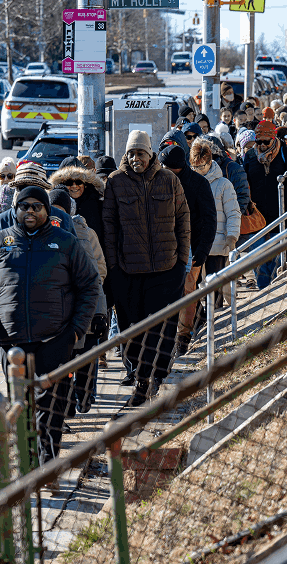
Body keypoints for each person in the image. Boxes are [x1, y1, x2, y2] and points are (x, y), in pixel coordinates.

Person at [0, 187, 100, 472]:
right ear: (15, 210)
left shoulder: (66, 243)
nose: (30, 211)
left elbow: (90, 285)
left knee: (52, 409)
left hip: (55, 339)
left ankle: (48, 463)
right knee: (18, 407)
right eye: (24, 206)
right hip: (12, 343)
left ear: (47, 210)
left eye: (37, 206)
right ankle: (27, 463)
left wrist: (75, 331)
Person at [102, 131, 190, 406]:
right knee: (131, 329)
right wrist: (115, 267)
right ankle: (141, 376)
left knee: (163, 326)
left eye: (140, 153)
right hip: (129, 272)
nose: (135, 158)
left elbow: (182, 220)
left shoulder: (169, 180)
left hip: (166, 269)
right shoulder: (115, 183)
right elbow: (109, 228)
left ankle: (155, 377)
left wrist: (182, 260)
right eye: (131, 153)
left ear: (150, 154)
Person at [47, 188, 108, 416]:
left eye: (62, 211)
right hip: (56, 310)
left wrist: (94, 305)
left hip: (81, 307)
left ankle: (84, 397)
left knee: (83, 357)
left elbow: (97, 270)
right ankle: (68, 403)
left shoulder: (84, 233)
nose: (58, 217)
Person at [153, 142, 214, 356]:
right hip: (162, 249)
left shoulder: (198, 184)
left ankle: (182, 337)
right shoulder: (155, 181)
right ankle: (165, 335)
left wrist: (203, 251)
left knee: (187, 292)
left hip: (191, 248)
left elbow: (209, 220)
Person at [242, 121, 287, 290]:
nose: (261, 145)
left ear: (273, 138)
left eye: (265, 141)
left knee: (276, 260)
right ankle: (263, 292)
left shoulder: (285, 154)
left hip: (280, 214)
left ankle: (275, 291)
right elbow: (245, 184)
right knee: (259, 259)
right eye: (258, 141)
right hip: (256, 215)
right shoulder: (250, 156)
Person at [192, 139, 241, 306]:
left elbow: (233, 212)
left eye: (202, 166)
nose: (198, 170)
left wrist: (232, 236)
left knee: (216, 292)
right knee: (197, 290)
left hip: (218, 245)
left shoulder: (223, 185)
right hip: (196, 245)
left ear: (210, 162)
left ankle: (217, 323)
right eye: (195, 166)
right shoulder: (191, 183)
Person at [0, 162, 76, 245]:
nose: (28, 195)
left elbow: (77, 260)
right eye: (23, 188)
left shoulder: (62, 219)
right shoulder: (1, 222)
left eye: (34, 189)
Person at [50, 162, 106, 251]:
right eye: (69, 182)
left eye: (79, 182)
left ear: (85, 183)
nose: (74, 186)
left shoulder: (96, 203)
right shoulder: (55, 204)